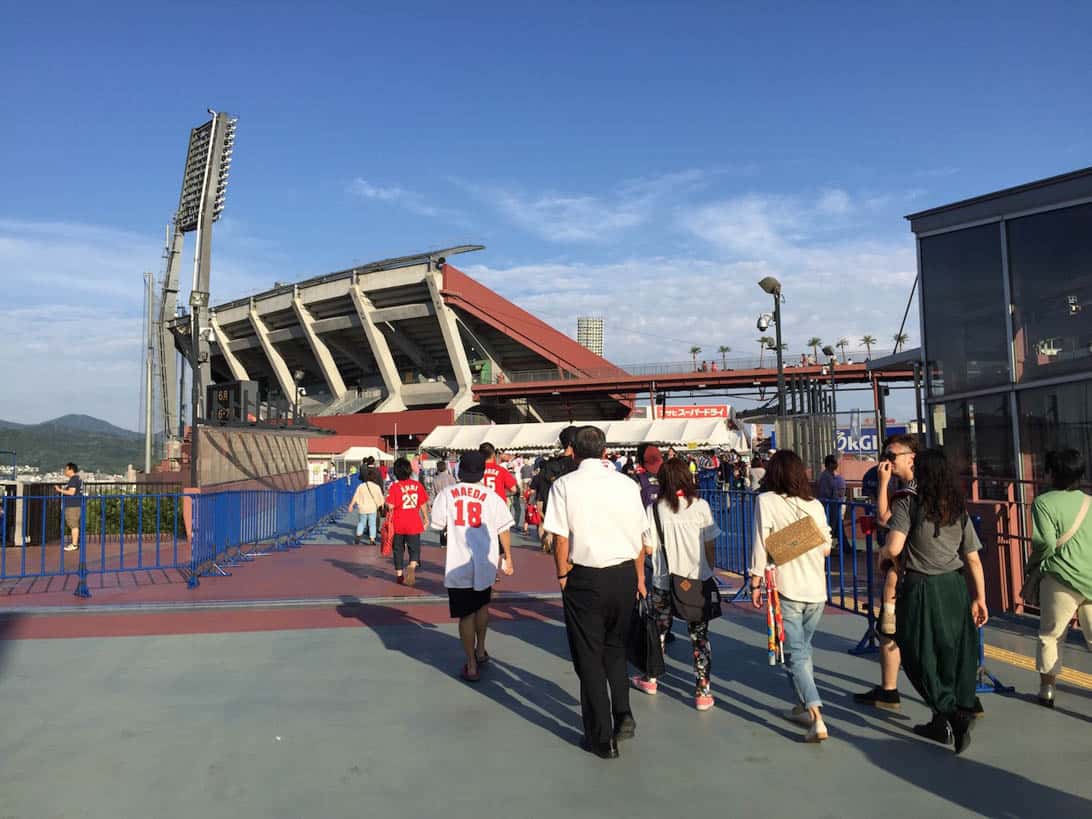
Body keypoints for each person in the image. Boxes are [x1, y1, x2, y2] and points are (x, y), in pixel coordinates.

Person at [544, 426, 647, 760]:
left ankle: (601, 737)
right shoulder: (628, 485)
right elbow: (641, 536)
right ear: (605, 450)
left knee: (589, 656)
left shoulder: (564, 485)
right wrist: (639, 577)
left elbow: (560, 537)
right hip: (623, 574)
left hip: (585, 576)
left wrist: (562, 574)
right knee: (616, 648)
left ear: (573, 450)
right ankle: (624, 714)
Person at [882, 449, 988, 754]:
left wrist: (885, 556)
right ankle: (944, 718)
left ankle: (950, 712)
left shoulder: (908, 503)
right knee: (952, 652)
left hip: (921, 587)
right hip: (955, 586)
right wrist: (980, 597)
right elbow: (973, 558)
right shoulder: (957, 508)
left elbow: (895, 545)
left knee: (917, 649)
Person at [749, 449, 833, 742]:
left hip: (786, 587)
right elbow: (826, 547)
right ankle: (801, 704)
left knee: (795, 654)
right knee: (803, 650)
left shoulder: (766, 501)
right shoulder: (815, 505)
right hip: (817, 589)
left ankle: (816, 715)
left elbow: (761, 543)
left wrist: (755, 581)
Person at [632, 458, 721, 710]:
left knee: (659, 629)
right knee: (699, 637)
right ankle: (703, 691)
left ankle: (651, 678)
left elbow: (647, 547)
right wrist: (708, 570)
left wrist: (641, 575)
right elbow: (710, 543)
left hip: (664, 581)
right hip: (697, 581)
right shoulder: (701, 506)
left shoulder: (655, 509)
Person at [430, 451, 515, 682]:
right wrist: (508, 557)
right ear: (482, 471)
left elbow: (437, 525)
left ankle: (471, 664)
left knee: (465, 615)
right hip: (485, 561)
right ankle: (481, 649)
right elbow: (503, 529)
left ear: (460, 469)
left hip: (458, 562)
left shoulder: (447, 494)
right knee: (482, 606)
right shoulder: (492, 496)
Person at [854, 434, 919, 710]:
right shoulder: (923, 489)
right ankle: (889, 689)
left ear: (910, 457)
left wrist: (882, 485)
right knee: (892, 631)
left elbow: (884, 520)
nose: (887, 461)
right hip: (929, 569)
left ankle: (892, 689)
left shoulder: (907, 494)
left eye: (891, 456)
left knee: (891, 630)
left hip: (907, 571)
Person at [1028, 448, 1092, 709]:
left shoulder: (1043, 502)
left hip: (1060, 577)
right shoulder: (1089, 501)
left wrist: (1034, 566)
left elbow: (1044, 543)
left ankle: (1048, 690)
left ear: (1052, 473)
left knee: (1051, 635)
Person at [531, 426, 578, 553]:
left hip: (555, 516)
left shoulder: (549, 466)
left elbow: (542, 491)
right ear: (572, 443)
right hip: (576, 520)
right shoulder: (579, 465)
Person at [385, 457, 429, 585]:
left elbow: (391, 506)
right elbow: (423, 504)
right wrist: (426, 519)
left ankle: (399, 575)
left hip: (398, 523)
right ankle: (412, 566)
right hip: (414, 522)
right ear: (409, 471)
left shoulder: (394, 487)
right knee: (414, 548)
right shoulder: (417, 485)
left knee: (398, 549)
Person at [816, 454, 847, 549]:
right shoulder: (825, 477)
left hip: (834, 505)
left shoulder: (831, 476)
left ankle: (844, 546)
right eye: (834, 463)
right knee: (829, 526)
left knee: (837, 526)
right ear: (829, 464)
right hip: (829, 506)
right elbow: (825, 492)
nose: (836, 465)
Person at [349, 470, 385, 545]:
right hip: (372, 508)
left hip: (362, 508)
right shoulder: (376, 487)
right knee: (372, 524)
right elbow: (381, 498)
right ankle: (372, 539)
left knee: (361, 523)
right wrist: (382, 506)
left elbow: (355, 495)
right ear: (374, 478)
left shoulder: (361, 486)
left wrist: (351, 505)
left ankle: (358, 535)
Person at [55, 462, 82, 551]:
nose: (65, 471)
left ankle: (74, 545)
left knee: (73, 525)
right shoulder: (77, 479)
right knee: (73, 524)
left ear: (71, 470)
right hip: (75, 504)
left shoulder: (73, 479)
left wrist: (60, 490)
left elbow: (71, 492)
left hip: (72, 505)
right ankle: (74, 543)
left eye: (66, 469)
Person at [431, 461, 458, 547]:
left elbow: (433, 493)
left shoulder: (435, 479)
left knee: (442, 522)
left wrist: (431, 504)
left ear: (438, 468)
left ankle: (443, 542)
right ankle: (451, 539)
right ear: (446, 468)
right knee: (451, 521)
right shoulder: (451, 478)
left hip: (440, 502)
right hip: (451, 501)